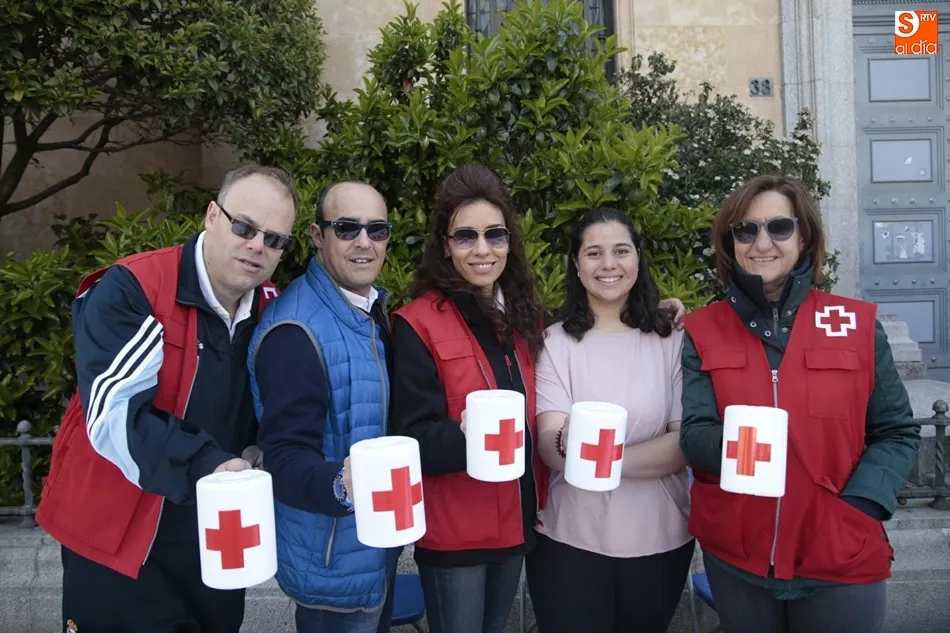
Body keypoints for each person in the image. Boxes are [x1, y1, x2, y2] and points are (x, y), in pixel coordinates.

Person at [390, 164, 687, 633]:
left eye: (495, 234)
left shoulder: (525, 321)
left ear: (510, 241)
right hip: (458, 531)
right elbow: (412, 434)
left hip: (517, 526)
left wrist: (663, 310)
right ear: (445, 245)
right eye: (465, 236)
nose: (483, 249)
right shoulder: (419, 323)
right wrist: (471, 438)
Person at [35, 164, 298, 633]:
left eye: (275, 239)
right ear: (211, 216)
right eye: (245, 227)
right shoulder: (133, 288)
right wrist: (209, 463)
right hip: (118, 536)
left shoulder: (271, 309)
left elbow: (268, 403)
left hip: (214, 538)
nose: (258, 245)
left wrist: (262, 444)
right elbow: (113, 417)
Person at [679, 174, 921, 633]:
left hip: (840, 553)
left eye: (779, 227)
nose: (761, 242)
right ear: (730, 244)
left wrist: (859, 507)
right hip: (738, 555)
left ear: (804, 235)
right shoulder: (703, 330)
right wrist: (744, 444)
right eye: (746, 230)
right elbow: (694, 434)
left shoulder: (855, 323)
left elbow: (896, 431)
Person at [527, 207, 694, 633]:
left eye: (621, 251)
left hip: (660, 537)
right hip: (569, 540)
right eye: (593, 253)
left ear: (638, 259)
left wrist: (594, 459)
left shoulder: (673, 341)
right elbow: (550, 441)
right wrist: (624, 457)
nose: (608, 265)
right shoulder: (553, 343)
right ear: (577, 265)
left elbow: (680, 446)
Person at [247, 180, 400, 633]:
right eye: (348, 227)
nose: (364, 242)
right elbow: (285, 459)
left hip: (369, 551)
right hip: (332, 568)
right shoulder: (296, 330)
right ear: (318, 236)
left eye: (377, 229)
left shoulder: (364, 311)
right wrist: (342, 484)